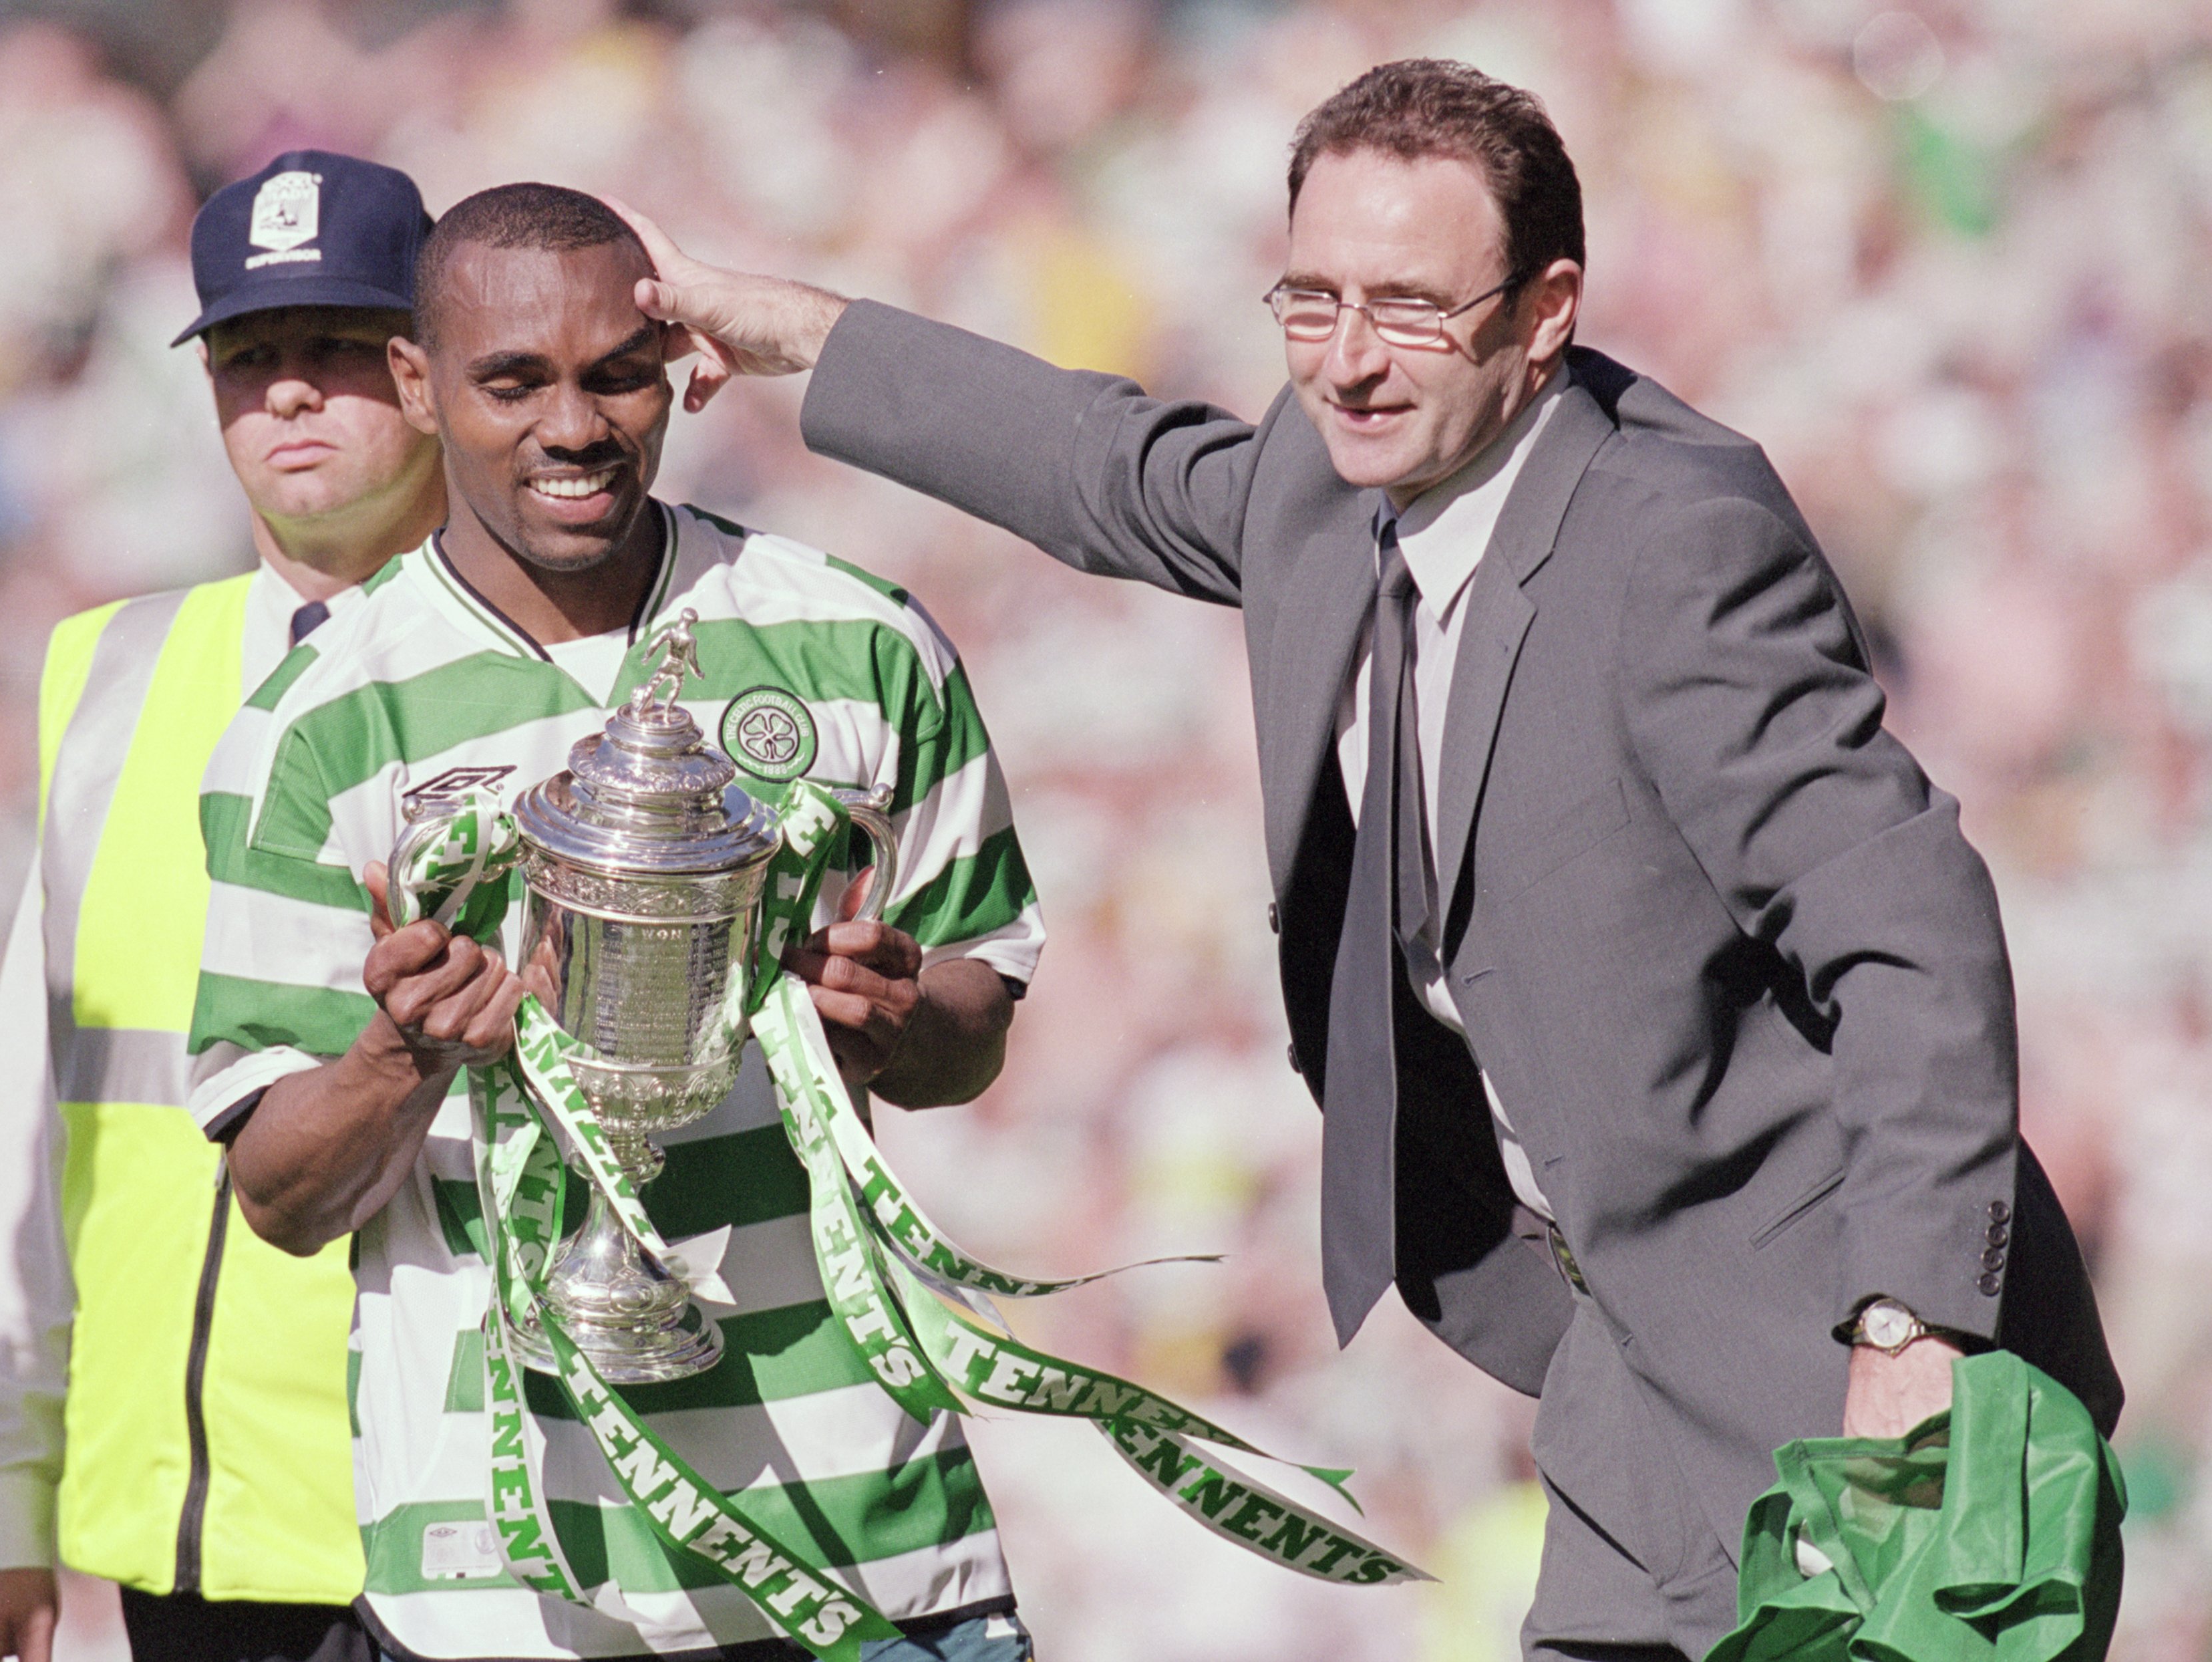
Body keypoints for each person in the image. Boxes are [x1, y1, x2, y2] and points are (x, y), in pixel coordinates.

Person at [615, 58, 2124, 1660]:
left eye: (1408, 307)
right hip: (1623, 1380)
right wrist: (779, 330)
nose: (1344, 361)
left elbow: (1913, 930)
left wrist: (1910, 1328)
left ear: (1545, 312)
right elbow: (1098, 463)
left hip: (1855, 1384)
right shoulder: (1330, 482)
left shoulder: (1674, 541)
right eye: (1310, 297)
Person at [184, 182, 1044, 1662]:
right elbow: (279, 1193)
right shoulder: (318, 724)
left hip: (871, 1553)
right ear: (419, 383)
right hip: (504, 1587)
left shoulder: (859, 639)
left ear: (680, 370)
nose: (572, 426)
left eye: (615, 374)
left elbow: (978, 1020)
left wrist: (899, 1019)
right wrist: (407, 1052)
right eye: (512, 381)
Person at [0, 150, 446, 1662]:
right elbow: (32, 1110)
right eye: (248, 354)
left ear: (428, 372)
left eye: (338, 348)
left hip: (455, 1542)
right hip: (184, 1546)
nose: (287, 392)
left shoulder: (537, 680)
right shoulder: (112, 671)